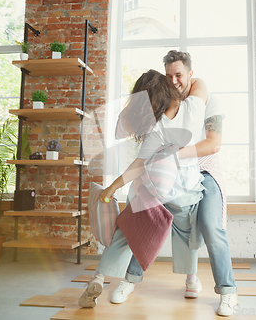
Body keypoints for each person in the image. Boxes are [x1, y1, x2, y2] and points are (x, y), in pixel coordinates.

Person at [79, 69, 208, 308]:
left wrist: (110, 189)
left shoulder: (155, 128)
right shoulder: (192, 108)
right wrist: (187, 77)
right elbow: (200, 86)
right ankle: (191, 281)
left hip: (152, 189)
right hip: (185, 189)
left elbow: (137, 166)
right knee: (187, 236)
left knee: (129, 231)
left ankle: (103, 277)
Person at [163, 50, 238, 316]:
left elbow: (213, 144)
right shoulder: (168, 104)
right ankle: (190, 278)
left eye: (179, 75)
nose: (174, 81)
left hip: (206, 172)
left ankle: (228, 292)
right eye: (169, 75)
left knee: (210, 224)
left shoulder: (210, 101)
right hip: (176, 171)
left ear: (190, 75)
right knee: (165, 216)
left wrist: (171, 155)